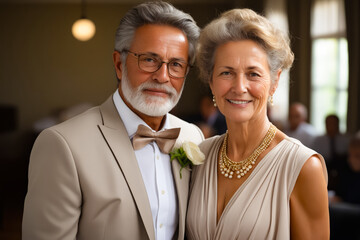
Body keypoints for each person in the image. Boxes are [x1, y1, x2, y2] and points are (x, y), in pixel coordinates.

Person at [22, 2, 203, 240]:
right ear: (119, 64)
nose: (162, 76)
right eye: (149, 60)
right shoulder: (62, 144)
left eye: (176, 65)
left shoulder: (192, 137)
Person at [186, 8, 329, 240]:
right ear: (211, 82)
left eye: (253, 74)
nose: (239, 87)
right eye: (226, 73)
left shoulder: (303, 167)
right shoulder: (201, 155)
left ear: (274, 82)